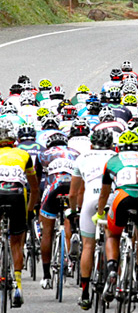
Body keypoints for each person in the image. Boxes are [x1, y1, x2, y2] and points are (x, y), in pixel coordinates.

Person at [93, 131, 138, 303]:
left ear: (118, 148)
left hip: (122, 196)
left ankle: (113, 268)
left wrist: (99, 213)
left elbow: (104, 194)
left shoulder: (112, 161)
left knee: (113, 234)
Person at [68, 129, 116, 310]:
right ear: (111, 145)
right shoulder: (115, 156)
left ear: (91, 144)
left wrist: (74, 211)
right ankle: (114, 277)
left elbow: (74, 193)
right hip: (111, 200)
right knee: (113, 240)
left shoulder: (83, 157)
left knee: (88, 245)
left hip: (90, 201)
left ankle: (85, 293)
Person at [0, 119, 39, 307]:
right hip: (16, 194)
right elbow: (34, 187)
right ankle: (18, 286)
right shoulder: (23, 154)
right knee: (16, 242)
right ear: (14, 140)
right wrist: (30, 211)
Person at [36, 132, 80, 289]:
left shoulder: (43, 155)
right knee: (70, 217)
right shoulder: (76, 153)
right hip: (72, 188)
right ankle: (72, 243)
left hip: (53, 188)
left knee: (47, 233)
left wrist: (37, 203)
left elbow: (37, 181)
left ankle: (47, 276)